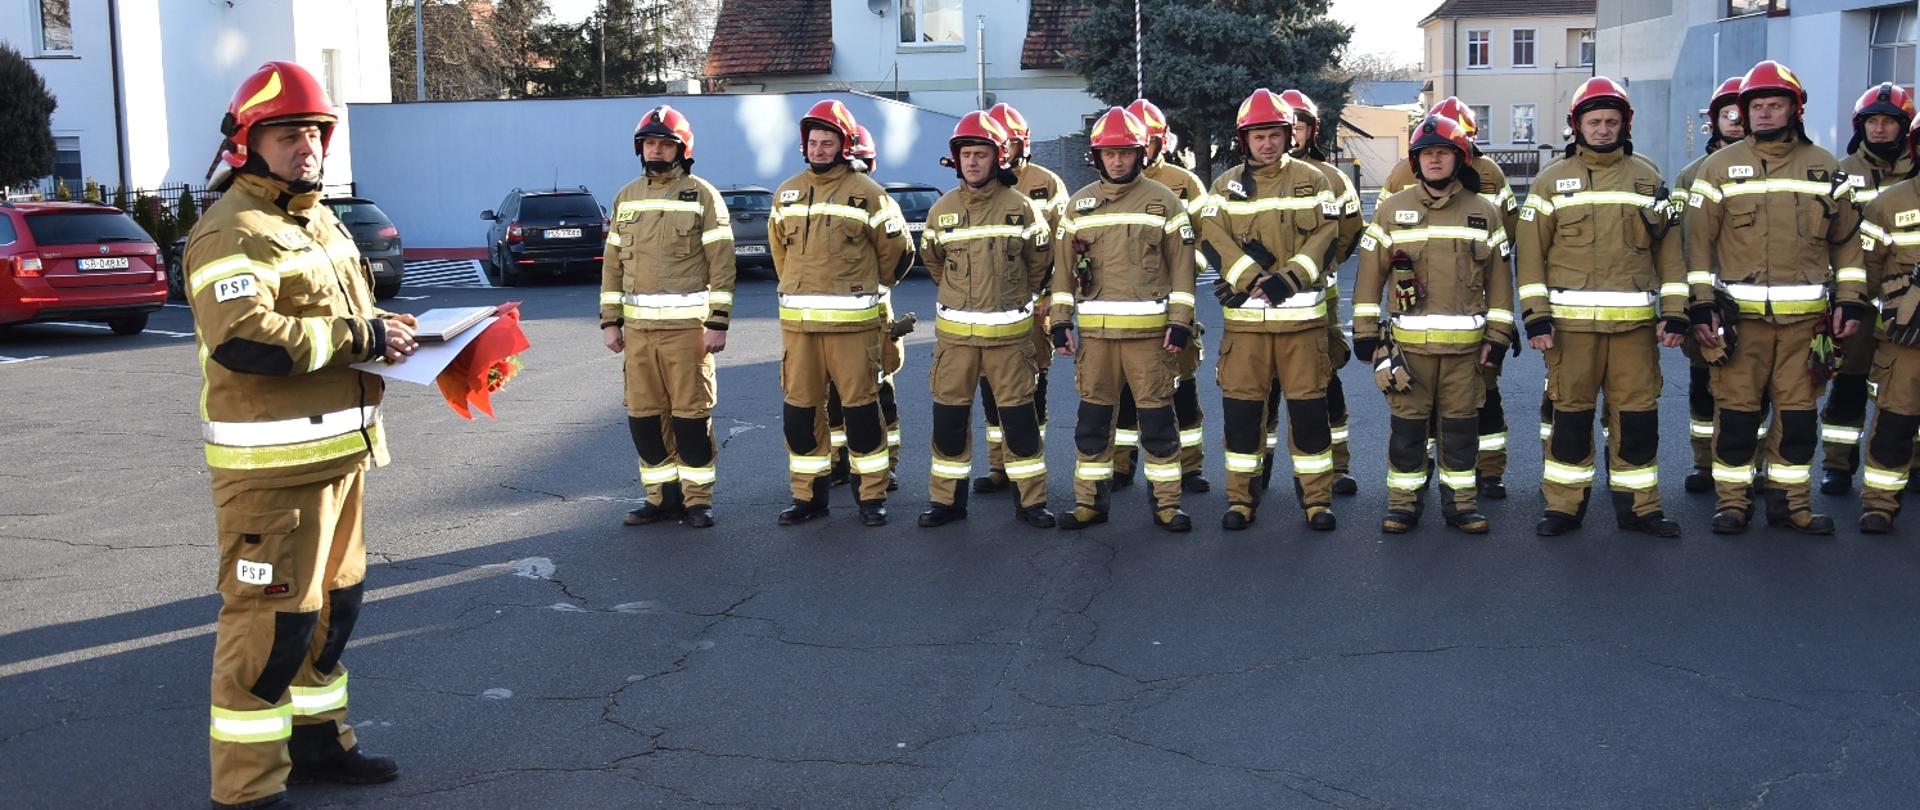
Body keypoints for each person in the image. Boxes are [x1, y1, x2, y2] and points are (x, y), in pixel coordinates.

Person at [187, 61, 404, 809]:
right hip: (271, 476)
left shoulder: (314, 218)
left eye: (314, 131)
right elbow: (244, 339)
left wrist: (399, 339)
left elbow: (348, 323)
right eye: (287, 133)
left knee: (330, 617)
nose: (305, 145)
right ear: (249, 144)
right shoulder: (230, 230)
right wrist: (363, 336)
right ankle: (246, 788)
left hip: (340, 460)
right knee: (268, 629)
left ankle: (318, 746)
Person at [1684, 60, 1869, 535]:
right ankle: (1732, 503)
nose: (1765, 114)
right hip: (1739, 324)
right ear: (1744, 113)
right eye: (1757, 106)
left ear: (1795, 108)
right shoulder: (1717, 167)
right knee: (1738, 418)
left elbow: (1847, 241)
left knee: (1798, 419)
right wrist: (1701, 302)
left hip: (1806, 326)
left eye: (1775, 104)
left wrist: (1849, 300)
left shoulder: (1825, 166)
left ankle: (1792, 506)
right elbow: (1697, 243)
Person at [1514, 77, 1685, 538]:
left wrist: (1675, 311)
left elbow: (1669, 252)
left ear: (1625, 124)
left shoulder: (1648, 177)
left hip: (1633, 331)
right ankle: (1563, 508)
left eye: (1612, 121)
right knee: (1569, 419)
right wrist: (1536, 317)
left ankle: (1641, 509)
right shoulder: (1550, 181)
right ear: (1577, 125)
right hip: (1570, 331)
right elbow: (1529, 257)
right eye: (1595, 121)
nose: (1604, 129)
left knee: (1638, 419)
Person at [1353, 114, 1517, 534]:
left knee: (1461, 432)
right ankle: (1403, 505)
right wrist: (1366, 332)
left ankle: (1462, 504)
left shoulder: (1485, 213)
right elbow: (1370, 274)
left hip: (1465, 354)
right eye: (1427, 154)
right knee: (1406, 432)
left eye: (1443, 152)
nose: (1435, 160)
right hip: (1409, 352)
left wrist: (1498, 337)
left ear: (1460, 158)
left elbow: (1501, 281)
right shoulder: (1391, 210)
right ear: (1415, 161)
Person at [1049, 106, 1199, 531]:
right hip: (1096, 341)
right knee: (1092, 425)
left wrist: (1181, 321)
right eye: (1109, 154)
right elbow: (1063, 272)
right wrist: (1060, 321)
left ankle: (1167, 505)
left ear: (1140, 155)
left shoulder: (1165, 201)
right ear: (1097, 157)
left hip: (1151, 339)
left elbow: (1184, 271)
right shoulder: (1079, 206)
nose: (1118, 161)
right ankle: (1089, 504)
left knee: (1157, 424)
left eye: (1126, 153)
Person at [1199, 88, 1341, 530]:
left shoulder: (1314, 180)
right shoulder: (1225, 187)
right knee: (1242, 421)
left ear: (1288, 135)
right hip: (1246, 333)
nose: (1268, 143)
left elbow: (1328, 234)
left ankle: (1317, 502)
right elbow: (1210, 235)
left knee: (1310, 420)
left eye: (1276, 134)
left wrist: (1288, 279)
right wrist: (1246, 278)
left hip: (1301, 329)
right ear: (1245, 140)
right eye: (1259, 136)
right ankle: (1241, 500)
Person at [768, 99, 915, 527]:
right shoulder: (787, 193)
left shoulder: (868, 194)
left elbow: (899, 253)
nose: (817, 149)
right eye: (812, 142)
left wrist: (868, 289)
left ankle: (871, 497)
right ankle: (808, 497)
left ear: (843, 145)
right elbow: (781, 255)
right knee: (800, 415)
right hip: (800, 331)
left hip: (854, 330)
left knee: (862, 413)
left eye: (826, 142)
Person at [916, 111, 1056, 528]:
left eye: (980, 154)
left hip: (1010, 342)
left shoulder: (1022, 209)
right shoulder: (941, 210)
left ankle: (1030, 503)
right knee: (949, 425)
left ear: (998, 159)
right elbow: (934, 262)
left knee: (1019, 424)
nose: (972, 162)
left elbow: (1040, 265)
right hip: (956, 343)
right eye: (966, 155)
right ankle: (947, 503)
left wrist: (1008, 297)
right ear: (955, 161)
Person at [599, 105, 735, 528]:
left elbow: (722, 263)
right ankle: (661, 498)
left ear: (681, 148)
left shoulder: (702, 195)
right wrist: (609, 320)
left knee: (690, 418)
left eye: (665, 144)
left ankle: (697, 501)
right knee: (644, 418)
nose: (656, 151)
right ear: (641, 148)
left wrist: (718, 321)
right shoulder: (626, 197)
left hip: (687, 333)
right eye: (650, 143)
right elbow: (613, 265)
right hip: (638, 334)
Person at [1385, 97, 1522, 498]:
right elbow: (1393, 235)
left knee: (1482, 399)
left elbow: (1505, 237)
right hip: (1421, 313)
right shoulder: (1400, 176)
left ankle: (1489, 470)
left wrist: (1496, 318)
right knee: (1419, 409)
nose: (1437, 158)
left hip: (1472, 310)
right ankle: (1426, 469)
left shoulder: (1490, 174)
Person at [1821, 82, 1917, 494]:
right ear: (1860, 126)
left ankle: (1907, 465)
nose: (1879, 129)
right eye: (1872, 122)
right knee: (1849, 382)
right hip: (1858, 297)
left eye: (1889, 122)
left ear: (1904, 129)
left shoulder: (1915, 175)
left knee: (1904, 390)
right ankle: (1838, 467)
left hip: (1908, 305)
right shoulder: (1841, 172)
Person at [1112, 97, 1210, 494]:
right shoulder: (1111, 186)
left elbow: (1207, 239)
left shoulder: (1185, 184)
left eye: (1146, 141)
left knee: (1181, 389)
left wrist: (1180, 269)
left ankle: (1189, 468)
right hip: (1127, 309)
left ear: (1159, 142)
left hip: (1173, 304)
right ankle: (1121, 467)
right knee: (1125, 394)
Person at [973, 102, 1067, 496]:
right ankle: (999, 465)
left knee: (1029, 389)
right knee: (991, 391)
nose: (1000, 150)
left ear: (1020, 145)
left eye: (1007, 143)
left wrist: (1050, 296)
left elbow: (1063, 248)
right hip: (987, 310)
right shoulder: (976, 188)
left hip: (1032, 307)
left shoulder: (1046, 183)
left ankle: (1027, 466)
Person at [1280, 88, 1364, 496]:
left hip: (1319, 301)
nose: (1290, 134)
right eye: (1285, 127)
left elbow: (1348, 232)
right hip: (1262, 302)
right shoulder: (1247, 178)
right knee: (1261, 388)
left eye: (1298, 127)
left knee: (1325, 380)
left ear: (1311, 131)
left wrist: (1324, 267)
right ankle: (1255, 469)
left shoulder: (1333, 178)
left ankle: (1337, 465)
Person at [823, 124, 911, 492]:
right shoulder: (824, 202)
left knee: (879, 397)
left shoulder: (875, 201)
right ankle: (839, 462)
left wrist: (873, 286)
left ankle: (884, 466)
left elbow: (900, 256)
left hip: (871, 319)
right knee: (832, 400)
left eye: (861, 164)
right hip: (828, 322)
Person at [1676, 76, 1750, 494]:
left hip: (1756, 302)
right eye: (1728, 114)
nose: (1736, 121)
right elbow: (1685, 241)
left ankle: (1748, 467)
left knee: (1753, 393)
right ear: (1715, 121)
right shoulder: (1691, 176)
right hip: (1708, 299)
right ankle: (1705, 465)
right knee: (1704, 384)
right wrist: (1694, 301)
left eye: (1742, 113)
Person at [1853, 114, 1920, 533]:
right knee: (1895, 420)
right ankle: (1879, 504)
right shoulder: (1889, 204)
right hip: (1905, 338)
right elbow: (1867, 272)